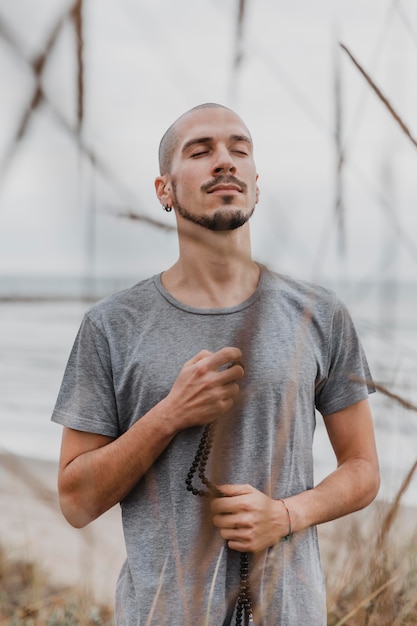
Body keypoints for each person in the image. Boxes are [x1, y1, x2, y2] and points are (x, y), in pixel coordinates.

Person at [52, 102, 380, 626]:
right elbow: (75, 502)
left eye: (238, 149)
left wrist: (287, 515)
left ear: (255, 182)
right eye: (200, 151)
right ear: (164, 189)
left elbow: (363, 470)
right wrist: (169, 414)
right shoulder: (111, 325)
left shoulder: (319, 315)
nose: (224, 161)